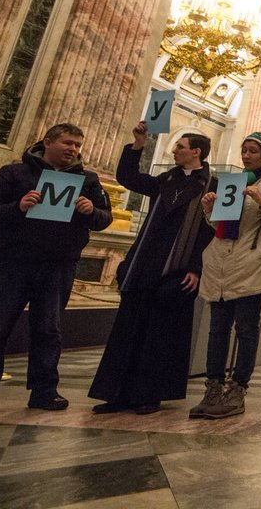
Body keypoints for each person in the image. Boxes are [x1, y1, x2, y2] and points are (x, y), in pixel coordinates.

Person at [0, 124, 112, 415]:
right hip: (11, 264)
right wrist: (16, 207)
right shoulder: (15, 174)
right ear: (47, 142)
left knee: (48, 330)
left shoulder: (88, 180)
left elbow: (104, 218)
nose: (73, 150)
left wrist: (90, 211)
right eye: (68, 143)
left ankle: (44, 391)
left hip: (57, 267)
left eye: (77, 146)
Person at [89, 126, 213, 414]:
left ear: (196, 151)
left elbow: (210, 233)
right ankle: (117, 393)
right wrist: (138, 144)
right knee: (128, 328)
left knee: (160, 333)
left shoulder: (212, 186)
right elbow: (128, 178)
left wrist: (196, 268)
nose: (174, 150)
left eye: (180, 146)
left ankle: (149, 393)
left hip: (177, 267)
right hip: (145, 263)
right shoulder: (165, 179)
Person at [190, 132, 261, 420]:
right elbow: (220, 226)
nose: (246, 156)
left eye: (252, 152)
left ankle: (237, 389)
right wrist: (209, 210)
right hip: (223, 264)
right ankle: (212, 389)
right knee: (217, 330)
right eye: (244, 151)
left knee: (246, 331)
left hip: (252, 263)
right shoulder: (233, 183)